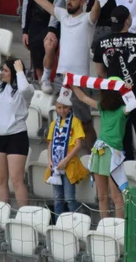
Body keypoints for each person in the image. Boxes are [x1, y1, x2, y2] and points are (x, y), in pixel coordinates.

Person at [29, 0, 108, 151]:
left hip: (80, 80)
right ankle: (63, 157)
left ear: (83, 1)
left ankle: (93, 155)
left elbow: (97, 8)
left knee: (85, 123)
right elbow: (42, 1)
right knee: (62, 121)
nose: (69, 2)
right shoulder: (63, 15)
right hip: (60, 78)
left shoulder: (88, 19)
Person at [93, 6, 136, 164]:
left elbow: (100, 73)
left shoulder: (101, 42)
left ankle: (126, 173)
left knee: (122, 136)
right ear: (128, 20)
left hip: (115, 96)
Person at [72, 83, 131, 219]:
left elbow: (133, 104)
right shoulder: (102, 108)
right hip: (99, 152)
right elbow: (83, 97)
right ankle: (105, 227)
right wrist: (72, 83)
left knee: (116, 196)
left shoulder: (122, 110)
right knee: (102, 196)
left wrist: (127, 89)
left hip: (112, 155)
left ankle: (119, 227)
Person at [0, 58, 32, 207]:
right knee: (0, 181)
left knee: (16, 180)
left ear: (15, 73)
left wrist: (21, 72)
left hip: (16, 136)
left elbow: (24, 89)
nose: (2, 73)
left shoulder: (27, 89)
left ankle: (25, 219)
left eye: (6, 70)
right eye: (2, 70)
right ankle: (4, 217)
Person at [46, 87, 88, 215]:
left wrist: (65, 160)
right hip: (55, 165)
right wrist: (49, 161)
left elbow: (78, 144)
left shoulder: (75, 122)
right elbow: (50, 143)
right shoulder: (54, 123)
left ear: (70, 107)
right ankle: (59, 225)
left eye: (65, 107)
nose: (62, 110)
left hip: (69, 163)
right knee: (57, 199)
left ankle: (74, 224)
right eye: (59, 108)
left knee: (69, 198)